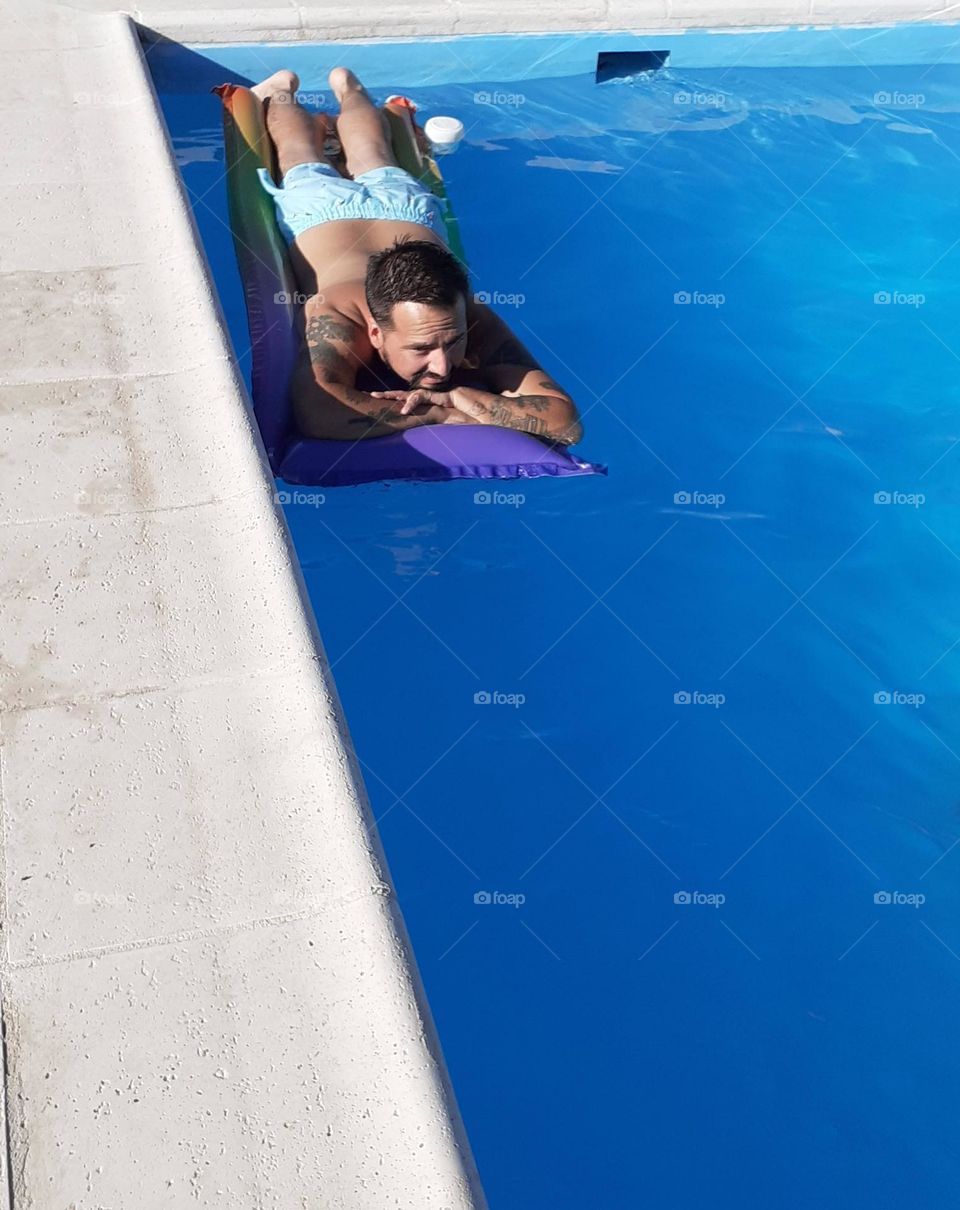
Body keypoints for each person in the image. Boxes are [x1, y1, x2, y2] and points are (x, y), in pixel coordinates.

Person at [251, 68, 583, 445]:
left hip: (405, 210)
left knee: (364, 153)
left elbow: (566, 422)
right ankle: (301, 89)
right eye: (421, 348)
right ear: (375, 332)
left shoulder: (468, 316)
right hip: (323, 210)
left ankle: (333, 88)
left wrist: (456, 397)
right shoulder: (339, 316)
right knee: (304, 151)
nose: (442, 366)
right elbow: (319, 411)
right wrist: (441, 413)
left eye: (453, 341)